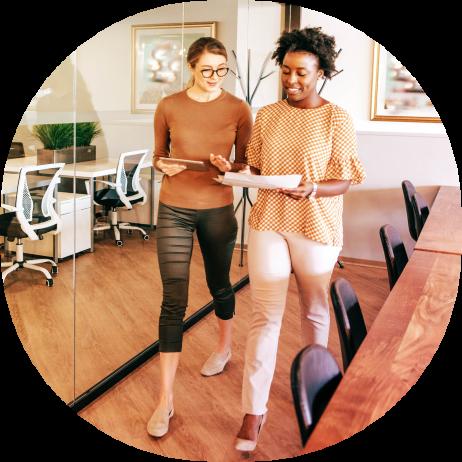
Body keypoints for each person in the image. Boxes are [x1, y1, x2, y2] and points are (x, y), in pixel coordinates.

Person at [234, 27, 366, 451]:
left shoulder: (336, 118)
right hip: (269, 218)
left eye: (302, 73)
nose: (292, 80)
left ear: (322, 72)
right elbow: (255, 168)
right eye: (287, 71)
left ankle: (319, 389)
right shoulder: (268, 115)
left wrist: (313, 188)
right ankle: (254, 412)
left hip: (316, 224)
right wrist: (233, 168)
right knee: (264, 316)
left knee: (313, 311)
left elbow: (344, 180)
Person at [147, 37, 252, 438]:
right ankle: (165, 399)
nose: (214, 77)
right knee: (173, 297)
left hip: (218, 210)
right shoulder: (169, 105)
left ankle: (224, 348)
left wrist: (231, 166)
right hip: (173, 208)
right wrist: (164, 166)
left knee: (219, 284)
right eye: (207, 70)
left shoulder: (239, 109)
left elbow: (246, 163)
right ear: (191, 67)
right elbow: (157, 154)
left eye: (221, 70)